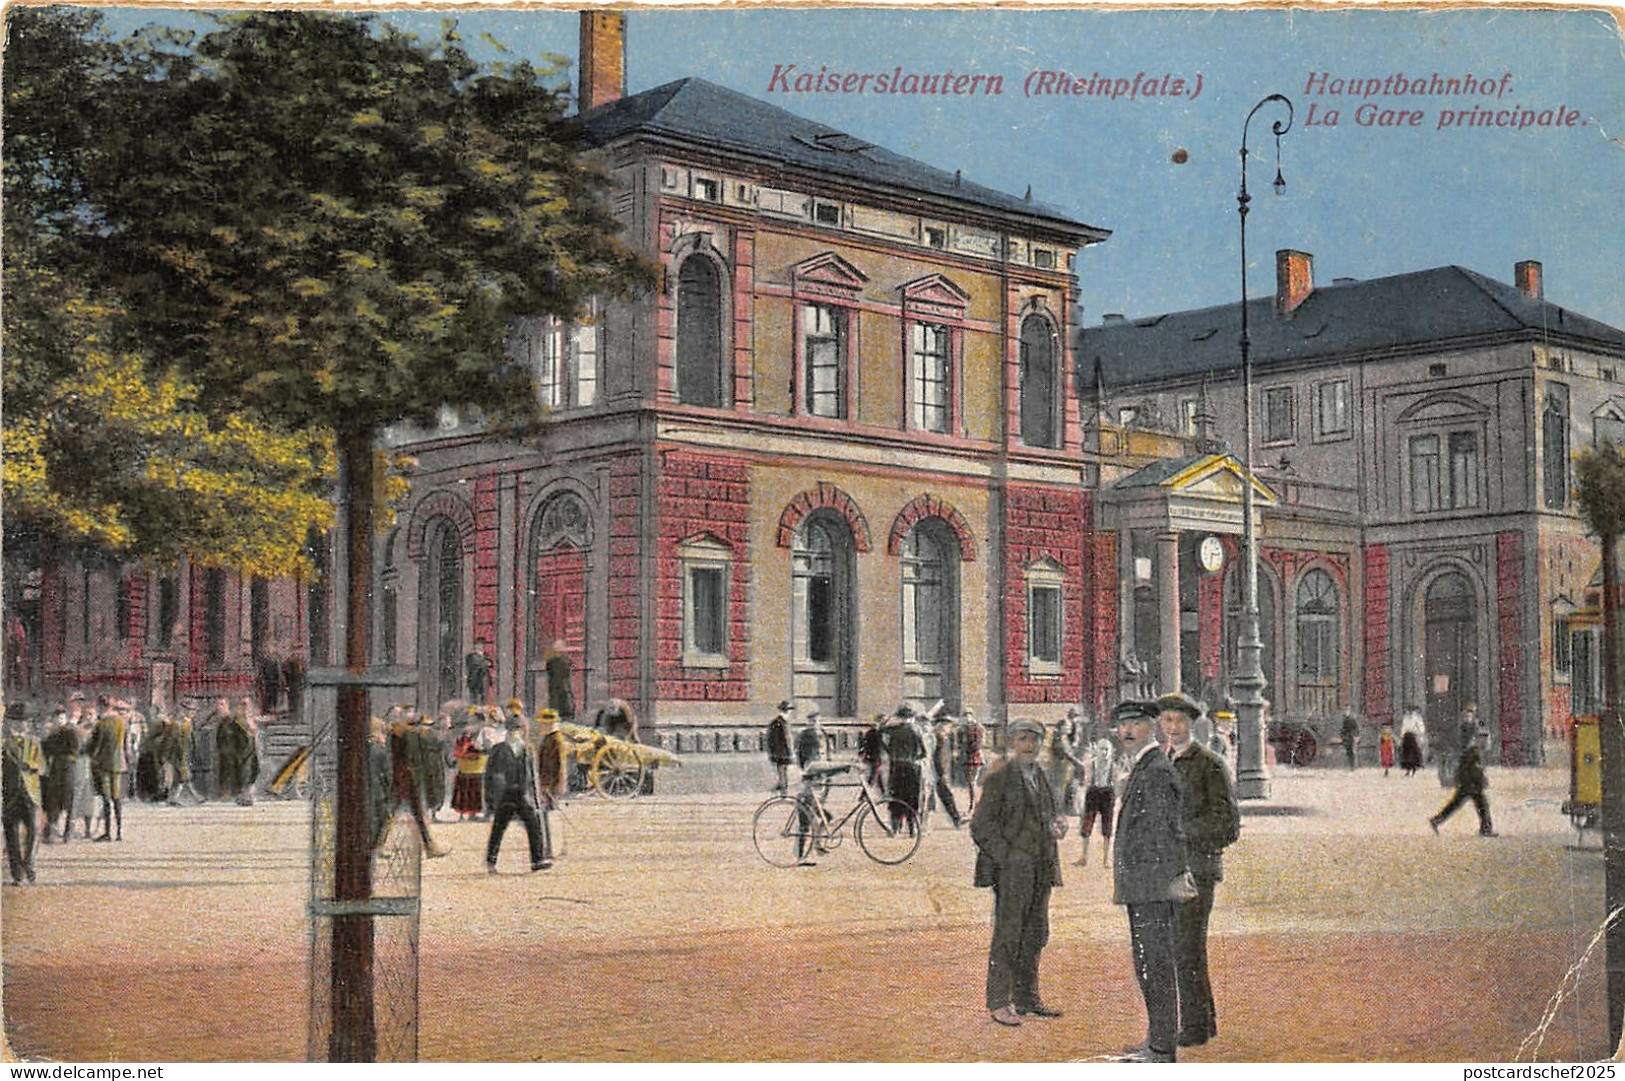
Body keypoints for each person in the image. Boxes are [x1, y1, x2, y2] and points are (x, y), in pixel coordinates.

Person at [1110, 699, 1195, 1064]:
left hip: (1152, 888)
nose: (1127, 731)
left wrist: (1168, 880)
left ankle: (1161, 1048)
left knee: (1155, 964)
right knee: (1149, 963)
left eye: (1136, 724)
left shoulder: (1155, 770)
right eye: (1122, 725)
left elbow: (1170, 833)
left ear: (1153, 727)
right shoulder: (1146, 766)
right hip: (1143, 886)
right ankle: (1156, 1040)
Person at [1158, 691, 1241, 1050]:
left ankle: (1194, 1025)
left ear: (1191, 724)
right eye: (1166, 721)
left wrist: (1182, 832)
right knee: (1181, 948)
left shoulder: (1209, 764)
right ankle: (1202, 1021)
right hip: (1168, 870)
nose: (1172, 728)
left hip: (1198, 869)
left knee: (1187, 947)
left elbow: (1228, 825)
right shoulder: (1161, 762)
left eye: (1178, 721)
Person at [971, 718, 1066, 1027]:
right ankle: (999, 1001)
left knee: (1036, 933)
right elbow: (981, 826)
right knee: (1008, 934)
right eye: (1024, 739)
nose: (1030, 745)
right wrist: (1007, 858)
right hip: (1013, 871)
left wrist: (1057, 826)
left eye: (1035, 740)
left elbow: (1047, 815)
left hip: (1041, 866)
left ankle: (1026, 998)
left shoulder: (1041, 774)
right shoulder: (1000, 776)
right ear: (1013, 742)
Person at [485, 716, 550, 873]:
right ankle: (491, 861)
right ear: (507, 731)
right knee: (499, 827)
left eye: (518, 729)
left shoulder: (527, 749)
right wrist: (490, 799)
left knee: (534, 825)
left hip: (522, 793)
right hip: (504, 794)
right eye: (512, 730)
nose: (515, 733)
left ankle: (537, 860)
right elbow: (489, 776)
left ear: (522, 731)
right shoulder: (498, 749)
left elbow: (533, 776)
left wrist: (536, 797)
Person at [3, 707, 44, 885]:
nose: (22, 725)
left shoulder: (35, 743)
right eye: (18, 721)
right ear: (11, 723)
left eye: (25, 722)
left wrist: (32, 764)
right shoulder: (4, 744)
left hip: (32, 795)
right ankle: (17, 874)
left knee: (34, 832)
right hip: (10, 795)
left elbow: (42, 766)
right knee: (11, 837)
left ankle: (30, 863)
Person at [1429, 730, 1496, 837]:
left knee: (1455, 805)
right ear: (1479, 740)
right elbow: (1470, 770)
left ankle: (1436, 820)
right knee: (1482, 806)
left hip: (1468, 785)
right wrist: (1479, 781)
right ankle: (1486, 830)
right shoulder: (1473, 752)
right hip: (1470, 785)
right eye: (1485, 740)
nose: (1487, 742)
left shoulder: (1474, 751)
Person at [1078, 721, 1124, 868]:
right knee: (1087, 825)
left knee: (1108, 828)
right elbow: (1086, 781)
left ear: (1110, 751)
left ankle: (1106, 859)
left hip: (1107, 794)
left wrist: (1115, 799)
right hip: (1093, 793)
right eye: (1101, 749)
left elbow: (1117, 784)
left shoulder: (1113, 766)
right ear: (1097, 750)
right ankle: (1084, 857)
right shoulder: (1091, 763)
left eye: (1106, 750)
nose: (1104, 752)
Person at [883, 705, 927, 830]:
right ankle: (912, 828)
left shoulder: (893, 730)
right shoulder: (916, 730)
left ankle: (896, 827)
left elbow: (881, 731)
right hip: (912, 768)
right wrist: (915, 757)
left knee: (896, 796)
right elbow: (924, 752)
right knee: (911, 798)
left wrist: (890, 753)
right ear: (911, 717)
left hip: (896, 767)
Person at [40, 707, 77, 842]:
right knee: (53, 801)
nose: (59, 721)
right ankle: (51, 831)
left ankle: (68, 832)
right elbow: (44, 750)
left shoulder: (70, 732)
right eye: (57, 718)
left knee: (68, 801)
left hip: (67, 770)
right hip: (55, 771)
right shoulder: (52, 735)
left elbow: (74, 751)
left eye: (61, 718)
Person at [451, 716, 489, 820]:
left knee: (474, 791)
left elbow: (487, 747)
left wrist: (480, 748)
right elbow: (458, 750)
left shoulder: (482, 733)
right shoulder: (463, 736)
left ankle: (473, 813)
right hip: (465, 766)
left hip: (477, 766)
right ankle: (462, 814)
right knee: (464, 791)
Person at [931, 713, 964, 829]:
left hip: (943, 772)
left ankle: (956, 819)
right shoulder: (938, 738)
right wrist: (941, 773)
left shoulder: (946, 738)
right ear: (941, 725)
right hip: (937, 773)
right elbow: (937, 758)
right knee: (944, 796)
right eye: (948, 725)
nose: (950, 728)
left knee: (946, 796)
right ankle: (956, 819)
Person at [766, 700, 794, 796]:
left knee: (783, 771)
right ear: (785, 710)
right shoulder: (777, 723)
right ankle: (783, 791)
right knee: (782, 771)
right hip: (781, 753)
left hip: (784, 752)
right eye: (789, 710)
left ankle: (782, 788)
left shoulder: (784, 722)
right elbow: (773, 739)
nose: (790, 712)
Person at [544, 640, 576, 722]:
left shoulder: (557, 661)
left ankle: (562, 716)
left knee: (560, 702)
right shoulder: (563, 661)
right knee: (559, 702)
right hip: (558, 686)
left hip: (559, 686)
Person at [962, 709, 986, 813]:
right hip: (967, 758)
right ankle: (973, 804)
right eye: (965, 716)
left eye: (968, 715)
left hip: (975, 758)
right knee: (970, 783)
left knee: (972, 783)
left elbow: (979, 744)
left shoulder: (977, 728)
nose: (967, 717)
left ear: (972, 715)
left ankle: (974, 805)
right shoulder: (964, 728)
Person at [465, 638, 492, 705]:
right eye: (478, 644)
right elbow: (473, 665)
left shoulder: (486, 655)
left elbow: (490, 664)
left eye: (482, 644)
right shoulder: (471, 656)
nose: (481, 646)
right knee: (474, 696)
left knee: (483, 695)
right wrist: (485, 663)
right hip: (474, 679)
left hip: (483, 678)